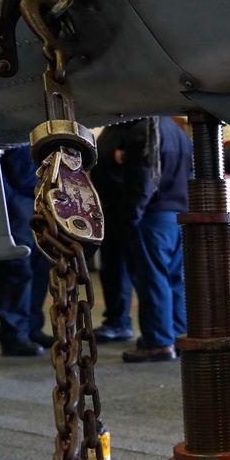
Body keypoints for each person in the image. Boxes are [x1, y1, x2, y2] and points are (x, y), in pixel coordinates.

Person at [117, 117, 193, 363]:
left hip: (154, 217)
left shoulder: (144, 131)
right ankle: (178, 337)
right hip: (180, 217)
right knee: (175, 280)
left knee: (153, 280)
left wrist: (131, 218)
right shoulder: (181, 134)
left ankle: (159, 342)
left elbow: (142, 181)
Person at [0, 146, 51, 357]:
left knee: (40, 267)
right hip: (16, 202)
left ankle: (32, 329)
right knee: (16, 268)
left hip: (39, 200)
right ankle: (14, 335)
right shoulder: (5, 126)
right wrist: (8, 201)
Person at [90, 122, 138, 344]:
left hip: (126, 209)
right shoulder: (114, 127)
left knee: (125, 269)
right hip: (109, 207)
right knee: (112, 268)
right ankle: (117, 320)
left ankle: (121, 323)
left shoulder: (138, 127)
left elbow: (141, 166)